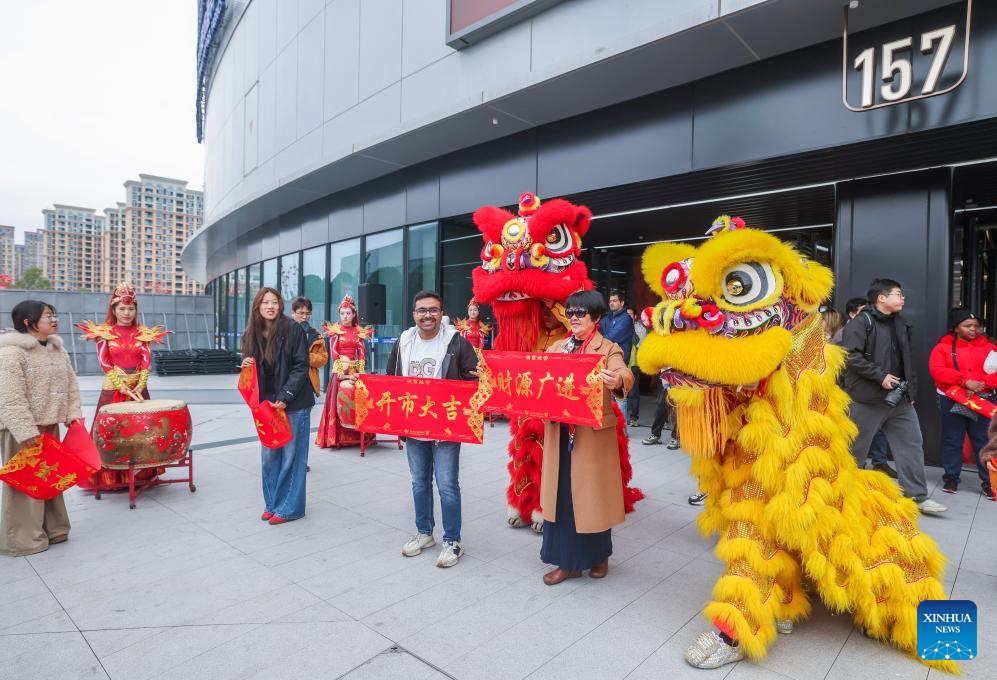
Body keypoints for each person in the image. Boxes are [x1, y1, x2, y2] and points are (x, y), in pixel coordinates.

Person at [540, 290, 634, 585]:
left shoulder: (607, 348)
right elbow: (535, 374)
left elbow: (624, 373)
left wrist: (617, 380)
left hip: (590, 437)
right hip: (560, 433)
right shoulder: (557, 347)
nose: (574, 317)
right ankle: (568, 562)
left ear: (596, 317)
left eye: (580, 312)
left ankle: (599, 556)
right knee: (563, 496)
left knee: (592, 496)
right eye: (570, 312)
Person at [387, 290, 478, 568]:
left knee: (447, 485)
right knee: (419, 482)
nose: (427, 315)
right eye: (422, 310)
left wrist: (477, 383)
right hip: (414, 426)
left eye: (433, 310)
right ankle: (424, 533)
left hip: (445, 429)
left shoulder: (456, 342)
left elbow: (473, 380)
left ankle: (452, 540)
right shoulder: (404, 342)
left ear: (441, 313)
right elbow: (391, 379)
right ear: (414, 314)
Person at [839, 278, 947, 514]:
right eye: (898, 294)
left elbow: (907, 361)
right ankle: (841, 495)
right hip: (867, 399)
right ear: (881, 298)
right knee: (855, 449)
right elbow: (850, 356)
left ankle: (917, 497)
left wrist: (911, 391)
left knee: (912, 444)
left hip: (899, 399)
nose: (903, 298)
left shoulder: (900, 323)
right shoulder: (861, 322)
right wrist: (880, 376)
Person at [0, 300, 82, 556]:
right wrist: (25, 430)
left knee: (51, 479)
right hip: (21, 430)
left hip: (49, 424)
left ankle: (55, 530)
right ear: (28, 322)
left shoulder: (57, 349)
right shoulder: (11, 353)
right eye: (48, 316)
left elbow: (71, 385)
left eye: (53, 314)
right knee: (25, 485)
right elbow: (9, 396)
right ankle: (23, 540)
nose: (54, 319)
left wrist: (73, 414)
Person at [75, 282, 167, 490]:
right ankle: (110, 479)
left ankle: (142, 475)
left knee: (143, 431)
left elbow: (146, 362)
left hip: (138, 389)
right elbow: (104, 363)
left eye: (131, 308)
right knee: (109, 432)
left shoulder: (144, 333)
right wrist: (120, 385)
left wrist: (140, 384)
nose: (127, 313)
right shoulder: (103, 333)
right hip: (113, 389)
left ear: (135, 310)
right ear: (114, 309)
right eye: (122, 308)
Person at [241, 287, 313, 525]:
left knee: (292, 457)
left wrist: (286, 396)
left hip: (293, 403)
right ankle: (272, 504)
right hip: (267, 406)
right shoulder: (251, 333)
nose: (270, 306)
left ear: (280, 305)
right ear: (257, 306)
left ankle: (290, 508)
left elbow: (301, 366)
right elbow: (253, 367)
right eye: (265, 302)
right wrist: (246, 363)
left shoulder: (292, 328)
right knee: (269, 457)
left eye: (274, 302)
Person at [928, 308, 997, 498]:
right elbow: (937, 370)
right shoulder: (942, 348)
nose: (974, 329)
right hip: (952, 398)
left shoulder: (990, 348)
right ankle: (951, 477)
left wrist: (982, 384)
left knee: (983, 441)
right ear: (956, 328)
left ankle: (989, 482)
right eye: (968, 326)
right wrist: (965, 382)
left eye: (976, 326)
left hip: (982, 399)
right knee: (953, 439)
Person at [835, 296, 894, 477]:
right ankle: (850, 471)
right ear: (852, 314)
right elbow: (844, 365)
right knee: (856, 435)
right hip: (853, 393)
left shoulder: (876, 330)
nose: (869, 315)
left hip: (874, 392)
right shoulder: (843, 335)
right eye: (863, 311)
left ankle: (879, 462)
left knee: (877, 431)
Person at [315, 295, 373, 448]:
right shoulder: (336, 331)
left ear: (354, 314)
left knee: (358, 401)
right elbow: (334, 352)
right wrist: (341, 370)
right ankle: (336, 437)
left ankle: (358, 434)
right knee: (338, 403)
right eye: (342, 313)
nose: (345, 316)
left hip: (355, 370)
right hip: (340, 369)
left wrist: (360, 372)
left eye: (348, 313)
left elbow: (361, 353)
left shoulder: (359, 331)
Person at [599, 290, 634, 425]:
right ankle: (612, 429)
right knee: (608, 399)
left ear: (622, 303)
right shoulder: (607, 318)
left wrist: (599, 340)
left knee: (619, 396)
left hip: (619, 363)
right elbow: (597, 332)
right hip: (604, 362)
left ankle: (622, 430)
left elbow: (611, 337)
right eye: (610, 301)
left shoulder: (626, 319)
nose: (611, 303)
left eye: (614, 301)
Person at [290, 296, 328, 399]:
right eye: (301, 313)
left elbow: (323, 359)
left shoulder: (316, 335)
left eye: (308, 314)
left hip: (308, 384)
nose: (304, 317)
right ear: (293, 313)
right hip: (287, 382)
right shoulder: (283, 330)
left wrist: (305, 356)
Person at [625, 305, 646, 427]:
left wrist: (630, 330)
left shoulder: (640, 328)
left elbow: (639, 343)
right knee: (618, 392)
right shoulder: (620, 325)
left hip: (633, 364)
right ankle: (620, 417)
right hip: (621, 362)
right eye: (626, 314)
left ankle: (634, 418)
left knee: (633, 393)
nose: (627, 317)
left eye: (630, 314)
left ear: (635, 316)